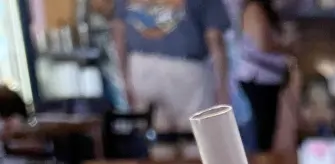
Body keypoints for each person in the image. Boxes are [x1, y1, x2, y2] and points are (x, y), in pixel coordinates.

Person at [112, 0, 231, 130]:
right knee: (196, 136)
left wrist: (125, 81)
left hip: (140, 66)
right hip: (187, 69)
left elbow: (119, 34)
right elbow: (215, 38)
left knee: (158, 138)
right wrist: (222, 87)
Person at [235, 0, 290, 150]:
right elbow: (263, 44)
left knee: (266, 135)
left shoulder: (266, 10)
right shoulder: (254, 9)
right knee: (260, 136)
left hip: (268, 81)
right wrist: (289, 46)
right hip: (258, 81)